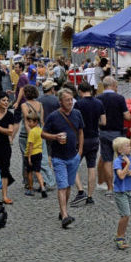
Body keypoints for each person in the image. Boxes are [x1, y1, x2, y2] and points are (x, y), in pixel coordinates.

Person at [43, 89, 84, 228]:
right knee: (62, 186)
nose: (70, 102)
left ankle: (63, 211)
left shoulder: (77, 114)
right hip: (58, 157)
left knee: (68, 187)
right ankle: (65, 216)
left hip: (73, 156)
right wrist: (55, 137)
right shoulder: (53, 116)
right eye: (67, 100)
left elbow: (80, 131)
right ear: (60, 102)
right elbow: (43, 134)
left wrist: (80, 151)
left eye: (71, 99)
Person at [97, 75, 130, 194]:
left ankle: (110, 187)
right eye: (116, 85)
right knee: (123, 158)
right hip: (117, 132)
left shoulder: (98, 98)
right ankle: (124, 185)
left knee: (107, 160)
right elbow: (127, 116)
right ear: (112, 85)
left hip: (104, 132)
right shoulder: (120, 98)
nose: (117, 87)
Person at [74, 81, 105, 205]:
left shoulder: (78, 104)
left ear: (80, 91)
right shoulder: (99, 103)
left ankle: (81, 190)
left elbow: (75, 123)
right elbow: (103, 122)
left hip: (81, 139)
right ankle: (90, 196)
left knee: (73, 166)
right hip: (94, 138)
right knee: (91, 167)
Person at [112, 136, 131, 250]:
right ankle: (119, 238)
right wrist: (127, 165)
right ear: (120, 150)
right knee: (125, 215)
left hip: (128, 190)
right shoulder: (117, 161)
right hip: (120, 192)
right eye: (127, 146)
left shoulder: (130, 158)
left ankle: (121, 236)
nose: (130, 147)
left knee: (127, 216)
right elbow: (121, 175)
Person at [24, 114, 47, 198]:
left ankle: (30, 189)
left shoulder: (32, 132)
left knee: (29, 172)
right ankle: (43, 187)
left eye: (30, 121)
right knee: (38, 172)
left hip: (31, 154)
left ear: (36, 122)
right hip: (39, 153)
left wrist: (29, 157)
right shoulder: (40, 130)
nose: (29, 123)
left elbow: (30, 145)